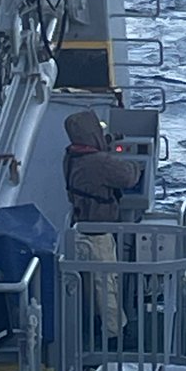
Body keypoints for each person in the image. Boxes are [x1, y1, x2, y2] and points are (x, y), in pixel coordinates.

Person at [63, 109, 141, 339]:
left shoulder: (71, 156)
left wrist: (108, 142)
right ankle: (114, 335)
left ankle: (95, 328)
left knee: (91, 285)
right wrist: (136, 165)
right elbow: (128, 177)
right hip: (99, 233)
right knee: (107, 284)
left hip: (80, 228)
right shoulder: (99, 162)